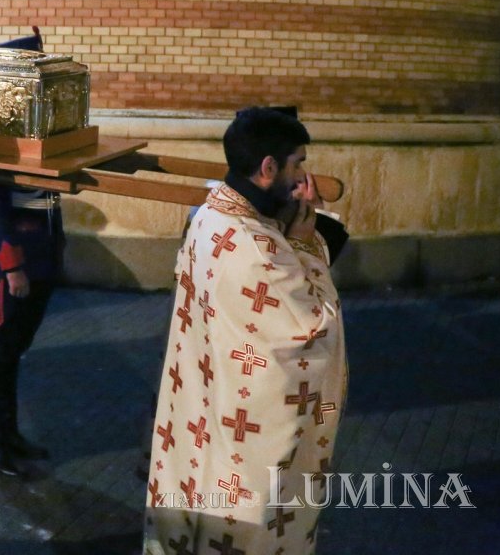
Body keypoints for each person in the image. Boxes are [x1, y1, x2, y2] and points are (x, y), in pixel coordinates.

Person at [142, 107, 348, 555]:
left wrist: (294, 231)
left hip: (204, 411)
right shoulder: (256, 248)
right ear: (268, 167)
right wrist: (304, 244)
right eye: (297, 164)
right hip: (242, 440)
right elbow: (312, 330)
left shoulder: (211, 216)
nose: (303, 177)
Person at [0, 27, 62, 477]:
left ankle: (11, 436)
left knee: (14, 353)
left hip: (41, 255)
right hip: (10, 263)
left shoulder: (39, 119)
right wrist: (12, 265)